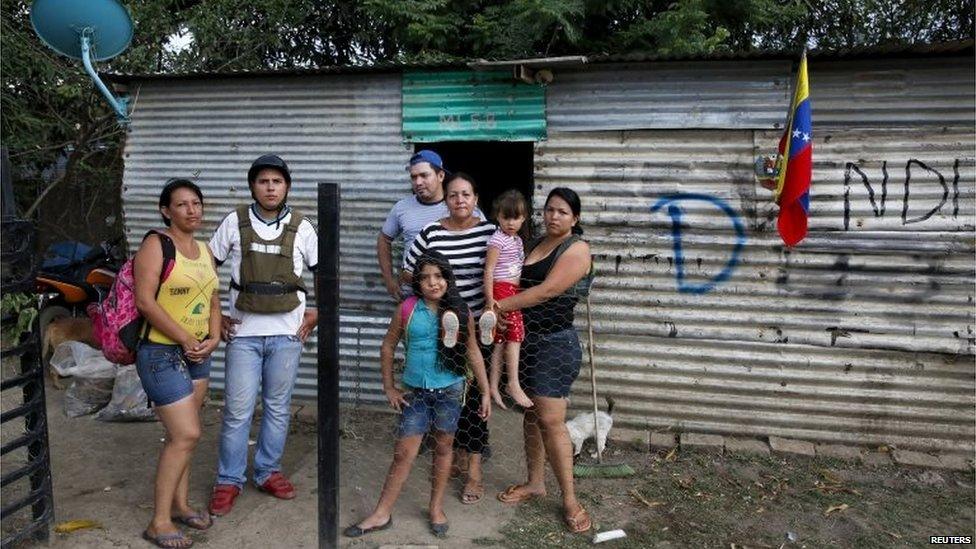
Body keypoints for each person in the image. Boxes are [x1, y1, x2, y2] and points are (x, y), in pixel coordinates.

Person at [344, 251, 491, 539]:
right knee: (403, 453)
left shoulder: (461, 311)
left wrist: (485, 391)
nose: (432, 283)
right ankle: (381, 513)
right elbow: (388, 346)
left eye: (438, 276)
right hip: (417, 394)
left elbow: (473, 350)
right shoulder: (407, 309)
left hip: (451, 390)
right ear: (418, 283)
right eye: (425, 278)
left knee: (444, 448)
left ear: (448, 278)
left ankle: (436, 508)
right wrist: (389, 386)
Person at [206, 154, 318, 517]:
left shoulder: (302, 226)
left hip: (286, 335)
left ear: (287, 186)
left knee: (277, 408)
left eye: (277, 181)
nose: (270, 187)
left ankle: (268, 471)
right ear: (253, 185)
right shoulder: (234, 222)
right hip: (243, 335)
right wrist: (214, 315)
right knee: (238, 411)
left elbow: (325, 272)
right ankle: (228, 480)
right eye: (263, 181)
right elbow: (204, 268)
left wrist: (319, 311)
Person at [493, 187, 593, 534]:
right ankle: (536, 482)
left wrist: (500, 308)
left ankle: (570, 500)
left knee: (552, 422)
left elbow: (548, 290)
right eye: (550, 210)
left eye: (562, 212)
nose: (554, 216)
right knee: (532, 416)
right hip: (525, 341)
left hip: (555, 343)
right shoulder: (533, 243)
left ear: (574, 219)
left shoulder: (577, 249)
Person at [133, 179, 221, 549]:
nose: (192, 210)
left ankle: (181, 505)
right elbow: (145, 302)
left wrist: (213, 337)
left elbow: (214, 298)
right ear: (166, 211)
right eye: (182, 204)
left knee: (181, 437)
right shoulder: (157, 244)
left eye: (196, 203)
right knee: (186, 434)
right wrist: (184, 338)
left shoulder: (203, 249)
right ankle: (159, 521)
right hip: (161, 352)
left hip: (198, 352)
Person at [401, 172, 496, 505]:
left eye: (466, 195)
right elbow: (409, 269)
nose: (460, 200)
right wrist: (432, 297)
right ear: (446, 199)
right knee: (448, 396)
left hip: (476, 328)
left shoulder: (489, 232)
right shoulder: (431, 232)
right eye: (453, 195)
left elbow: (505, 270)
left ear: (476, 199)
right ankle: (451, 455)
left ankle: (474, 470)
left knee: (474, 401)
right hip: (440, 328)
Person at [377, 150, 483, 300]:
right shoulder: (402, 208)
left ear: (441, 176)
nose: (418, 182)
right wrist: (389, 280)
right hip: (414, 296)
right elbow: (384, 239)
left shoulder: (463, 208)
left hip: (458, 298)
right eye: (414, 177)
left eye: (424, 175)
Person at [479, 189, 533, 409]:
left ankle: (493, 385)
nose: (511, 222)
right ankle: (512, 382)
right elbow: (489, 270)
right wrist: (490, 301)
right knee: (515, 336)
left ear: (524, 218)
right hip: (503, 291)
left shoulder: (517, 240)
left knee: (500, 341)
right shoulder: (497, 240)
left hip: (513, 291)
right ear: (497, 216)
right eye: (505, 217)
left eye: (516, 217)